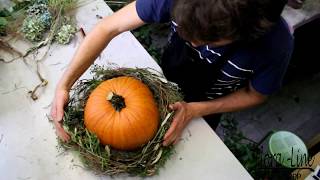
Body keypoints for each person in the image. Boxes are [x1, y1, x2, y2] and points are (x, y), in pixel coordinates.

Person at [51, 0, 293, 147]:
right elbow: (108, 27)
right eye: (184, 30)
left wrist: (196, 109)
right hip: (168, 74)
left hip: (208, 106)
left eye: (207, 40)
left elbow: (256, 94)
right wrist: (65, 84)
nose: (193, 43)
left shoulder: (275, 45)